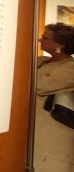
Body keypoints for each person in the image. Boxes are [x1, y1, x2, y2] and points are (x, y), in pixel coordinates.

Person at [34, 23, 74, 171]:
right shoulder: (40, 61)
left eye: (45, 38)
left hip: (56, 139)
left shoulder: (71, 67)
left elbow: (40, 85)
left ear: (61, 45)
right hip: (35, 134)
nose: (40, 40)